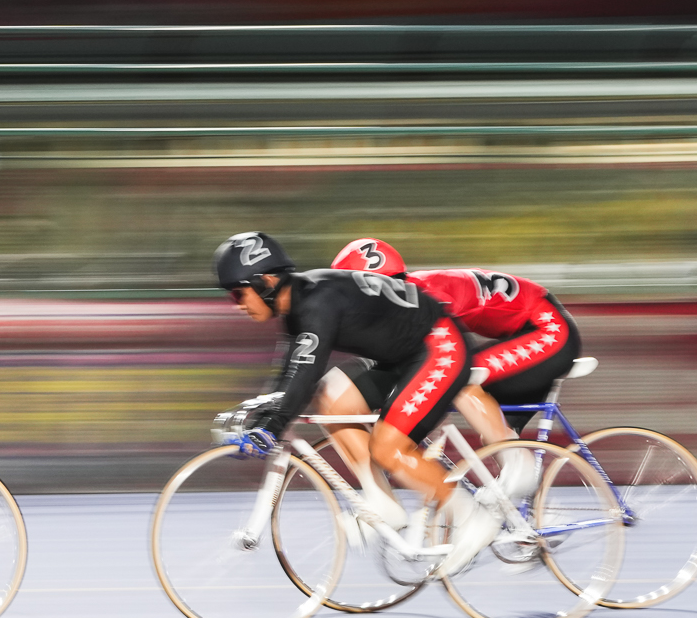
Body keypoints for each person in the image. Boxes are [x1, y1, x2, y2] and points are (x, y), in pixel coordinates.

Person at [213, 231, 503, 573]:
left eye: (238, 293)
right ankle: (380, 500)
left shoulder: (318, 303)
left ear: (265, 282)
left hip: (440, 346)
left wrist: (272, 426)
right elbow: (291, 374)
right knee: (330, 398)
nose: (237, 303)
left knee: (388, 448)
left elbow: (305, 371)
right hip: (405, 354)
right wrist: (264, 409)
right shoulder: (300, 301)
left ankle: (473, 517)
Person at [330, 237, 579, 497]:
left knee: (460, 376)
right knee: (491, 433)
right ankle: (537, 516)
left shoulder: (426, 296)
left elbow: (442, 356)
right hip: (531, 326)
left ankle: (519, 463)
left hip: (549, 330)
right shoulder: (408, 291)